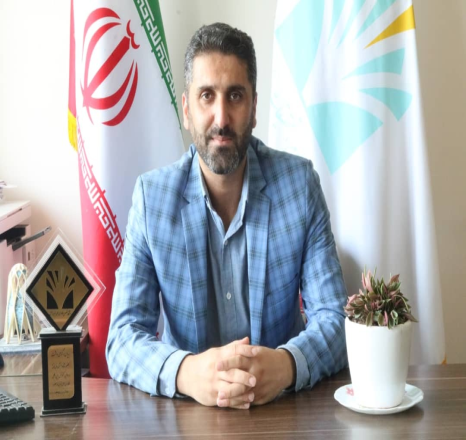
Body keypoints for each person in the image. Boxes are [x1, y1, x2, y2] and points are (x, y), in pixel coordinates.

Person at [106, 23, 347, 410]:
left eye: (235, 96)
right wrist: (187, 373)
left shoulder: (299, 186)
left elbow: (335, 320)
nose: (221, 118)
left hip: (283, 411)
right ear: (187, 110)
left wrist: (286, 365)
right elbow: (122, 338)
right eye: (207, 96)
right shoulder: (152, 199)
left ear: (254, 108)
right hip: (187, 416)